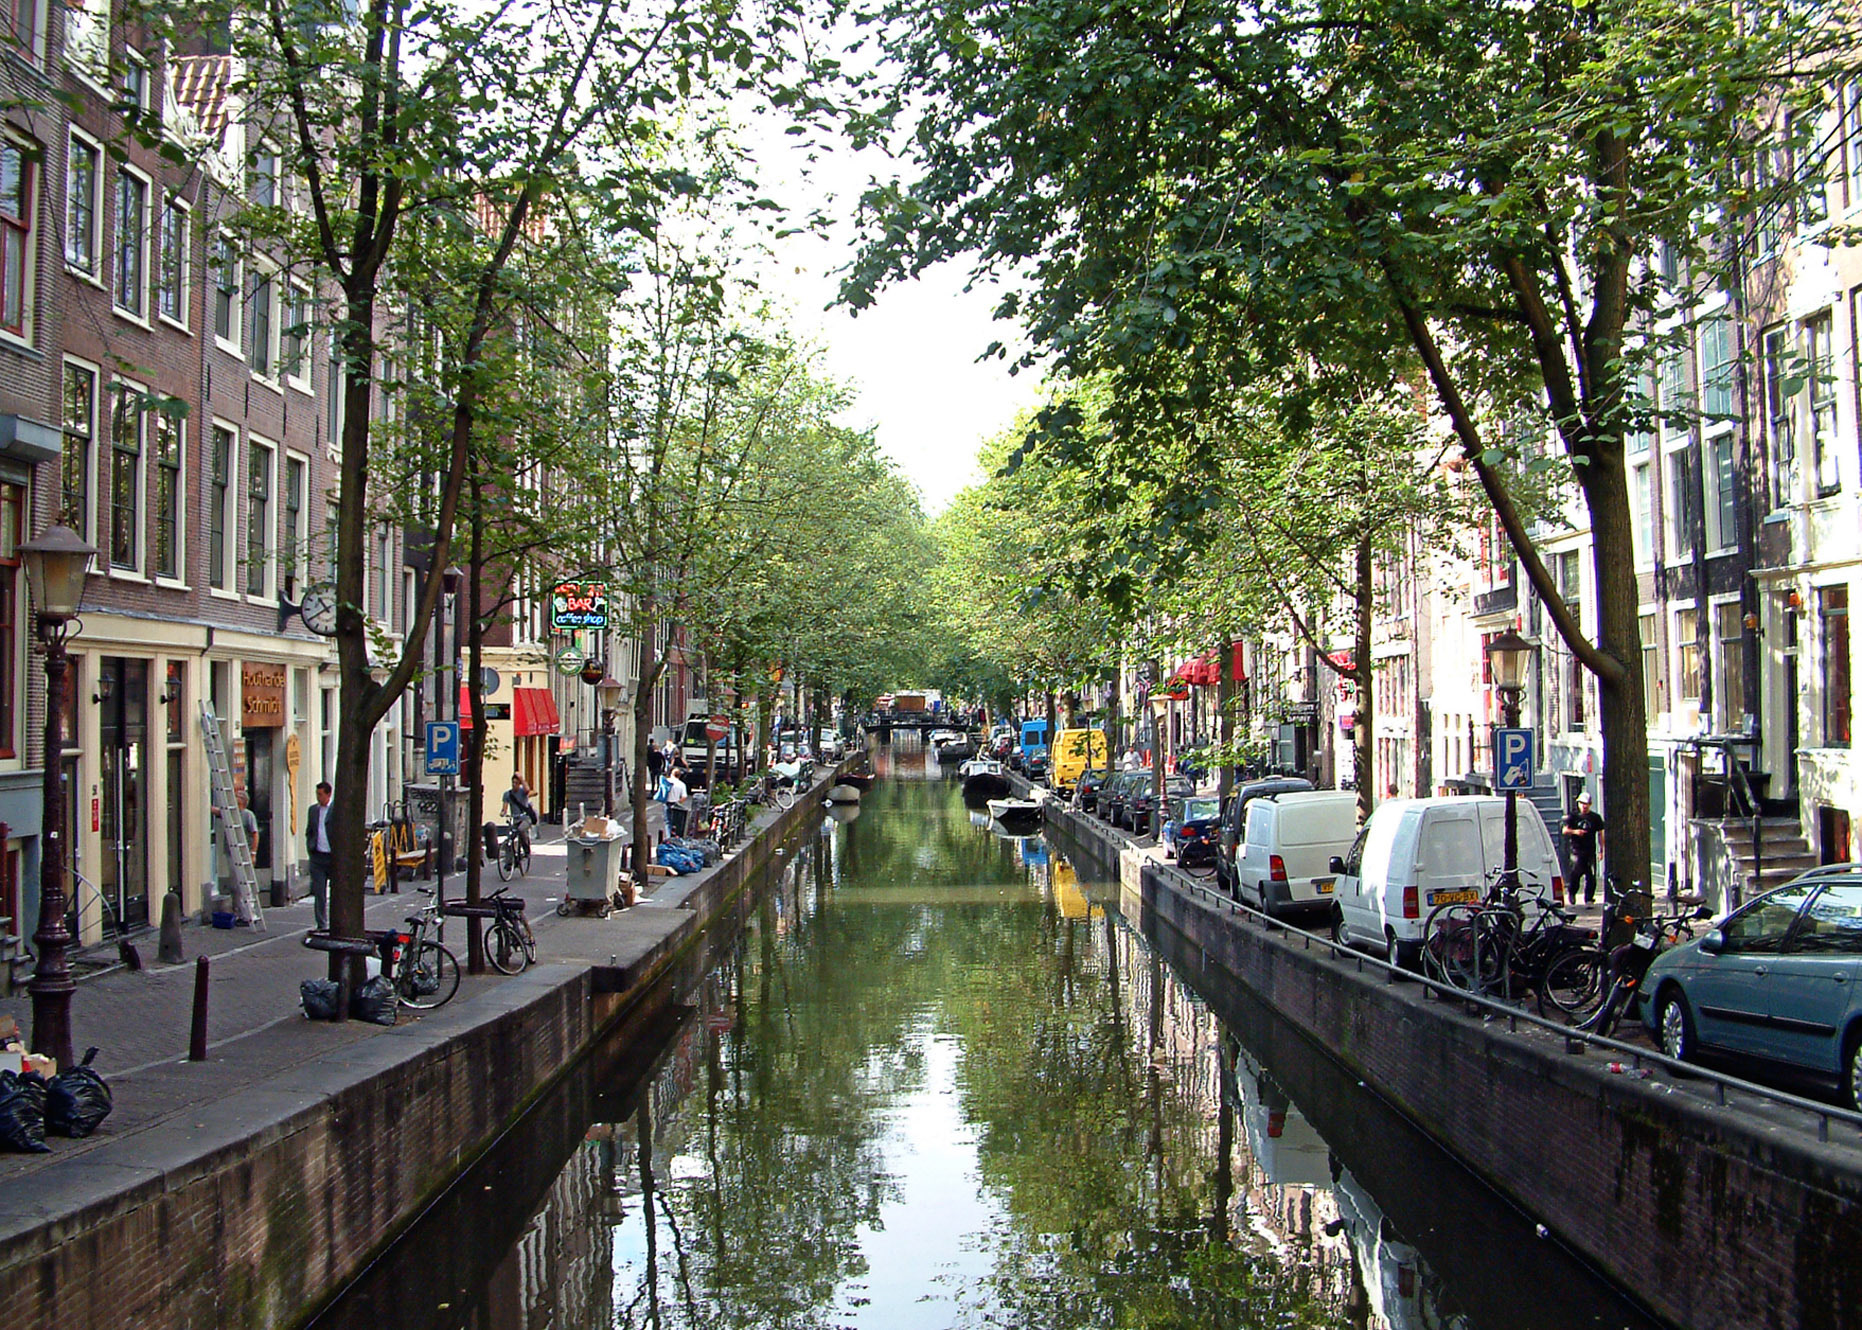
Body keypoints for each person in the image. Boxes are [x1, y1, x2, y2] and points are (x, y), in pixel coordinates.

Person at [1562, 791, 1606, 905]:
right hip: (1576, 851)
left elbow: (1600, 834)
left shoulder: (1595, 818)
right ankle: (1572, 892)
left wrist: (1601, 850)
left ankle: (1589, 898)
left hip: (1590, 851)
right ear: (1578, 804)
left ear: (1590, 804)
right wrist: (1575, 832)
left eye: (1586, 804)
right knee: (1576, 874)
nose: (1584, 806)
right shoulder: (1573, 817)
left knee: (1591, 876)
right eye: (1582, 803)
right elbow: (1565, 830)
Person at [304, 781, 334, 931]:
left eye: (320, 794)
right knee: (319, 892)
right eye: (317, 794)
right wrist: (310, 847)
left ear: (328, 794)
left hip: (332, 857)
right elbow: (309, 830)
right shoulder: (313, 811)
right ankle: (321, 924)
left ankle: (335, 922)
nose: (318, 797)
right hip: (317, 857)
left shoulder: (335, 810)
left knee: (336, 892)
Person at [502, 773, 539, 853]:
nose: (514, 785)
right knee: (510, 836)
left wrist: (521, 779)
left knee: (521, 830)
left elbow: (527, 790)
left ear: (519, 784)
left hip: (525, 818)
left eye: (516, 783)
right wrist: (503, 813)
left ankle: (526, 850)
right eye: (513, 782)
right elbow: (504, 807)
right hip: (516, 819)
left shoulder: (523, 792)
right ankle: (510, 858)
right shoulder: (507, 794)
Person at [665, 765, 690, 838]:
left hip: (667, 803)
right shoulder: (681, 784)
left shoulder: (666, 781)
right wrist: (678, 802)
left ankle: (668, 837)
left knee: (668, 822)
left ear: (671, 774)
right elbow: (684, 796)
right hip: (676, 804)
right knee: (676, 823)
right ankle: (676, 837)